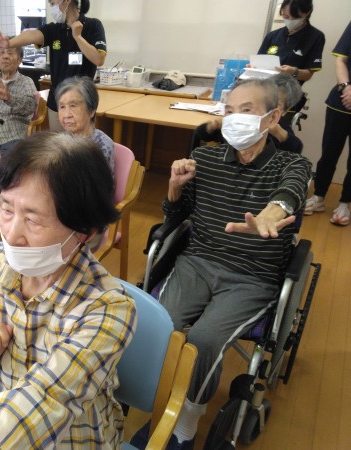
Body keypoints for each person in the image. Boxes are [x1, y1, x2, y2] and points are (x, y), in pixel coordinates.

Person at [130, 78, 312, 450]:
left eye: (246, 110)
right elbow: (175, 216)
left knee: (204, 339)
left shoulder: (291, 163)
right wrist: (174, 186)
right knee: (164, 325)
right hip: (197, 262)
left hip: (252, 276)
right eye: (229, 111)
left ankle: (186, 423)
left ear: (272, 117)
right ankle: (161, 400)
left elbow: (292, 190)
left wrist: (271, 213)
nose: (235, 118)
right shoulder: (206, 159)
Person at [0, 132, 137, 448]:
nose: (11, 234)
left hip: (72, 437)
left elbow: (46, 397)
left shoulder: (107, 308)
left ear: (84, 232)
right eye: (7, 209)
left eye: (33, 220)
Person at [0, 0, 106, 132]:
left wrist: (78, 37)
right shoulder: (54, 29)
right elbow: (31, 35)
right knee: (57, 143)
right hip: (57, 103)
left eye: (53, 3)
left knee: (80, 143)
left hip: (82, 102)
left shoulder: (93, 25)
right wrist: (9, 43)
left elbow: (99, 59)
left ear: (67, 1)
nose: (52, 8)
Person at [304, 21, 351, 226]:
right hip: (342, 101)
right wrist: (346, 87)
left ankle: (345, 203)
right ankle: (319, 196)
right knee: (329, 153)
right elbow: (341, 59)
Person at [194, 73, 304, 154]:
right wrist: (214, 125)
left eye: (276, 103)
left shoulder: (279, 129)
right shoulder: (237, 121)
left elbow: (295, 148)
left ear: (282, 112)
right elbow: (202, 134)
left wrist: (277, 131)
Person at [0, 45, 37, 156]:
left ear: (19, 60)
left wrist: (9, 98)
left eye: (10, 53)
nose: (5, 57)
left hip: (13, 133)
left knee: (11, 161)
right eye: (2, 53)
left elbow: (30, 107)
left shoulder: (26, 81)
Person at [56, 75, 115, 174]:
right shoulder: (60, 140)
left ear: (91, 111)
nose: (66, 115)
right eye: (62, 107)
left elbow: (92, 182)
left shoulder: (101, 146)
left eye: (73, 106)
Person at [257, 0, 325, 85]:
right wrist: (253, 67)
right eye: (286, 16)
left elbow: (308, 75)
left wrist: (293, 72)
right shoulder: (272, 35)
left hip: (289, 90)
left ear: (307, 12)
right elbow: (259, 62)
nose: (290, 20)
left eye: (296, 17)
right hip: (265, 86)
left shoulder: (316, 37)